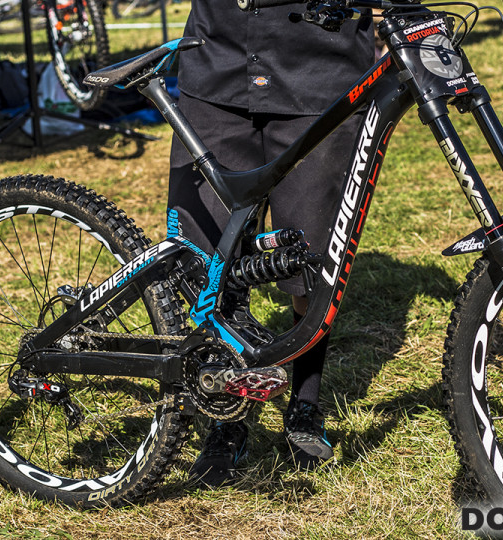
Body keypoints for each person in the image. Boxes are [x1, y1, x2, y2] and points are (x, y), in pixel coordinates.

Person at [168, 1, 376, 487]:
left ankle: (305, 403)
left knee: (313, 260)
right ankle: (225, 415)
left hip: (320, 74)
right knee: (203, 259)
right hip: (217, 64)